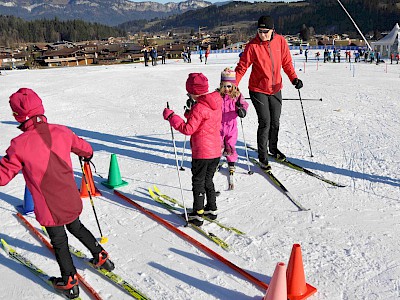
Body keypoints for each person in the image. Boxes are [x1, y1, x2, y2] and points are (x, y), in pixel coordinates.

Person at [0, 88, 114, 299]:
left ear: (18, 116)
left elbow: (3, 176)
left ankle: (69, 281)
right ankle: (100, 255)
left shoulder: (19, 145)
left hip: (50, 207)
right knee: (76, 226)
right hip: (70, 198)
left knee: (59, 241)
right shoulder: (61, 131)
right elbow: (86, 149)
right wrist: (86, 154)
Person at [235, 15, 303, 169]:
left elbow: (286, 63)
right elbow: (242, 67)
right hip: (258, 89)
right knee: (265, 122)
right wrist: (232, 85)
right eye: (259, 31)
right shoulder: (252, 46)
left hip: (276, 88)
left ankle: (273, 148)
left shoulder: (280, 41)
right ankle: (262, 155)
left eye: (265, 31)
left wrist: (294, 79)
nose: (262, 34)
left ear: (273, 30)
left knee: (275, 122)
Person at [162, 73, 222, 226]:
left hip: (202, 152)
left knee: (198, 181)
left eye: (189, 92)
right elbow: (203, 119)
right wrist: (190, 111)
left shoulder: (200, 107)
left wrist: (172, 117)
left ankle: (198, 214)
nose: (188, 94)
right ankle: (211, 209)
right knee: (208, 179)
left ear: (194, 92)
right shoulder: (215, 101)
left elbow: (188, 129)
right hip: (215, 150)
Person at [219, 67, 249, 174]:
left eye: (229, 86)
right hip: (218, 125)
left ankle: (231, 163)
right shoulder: (217, 95)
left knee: (230, 144)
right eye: (224, 86)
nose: (226, 88)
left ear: (233, 86)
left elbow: (244, 104)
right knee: (218, 145)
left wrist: (242, 110)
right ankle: (215, 160)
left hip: (231, 126)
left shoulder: (237, 96)